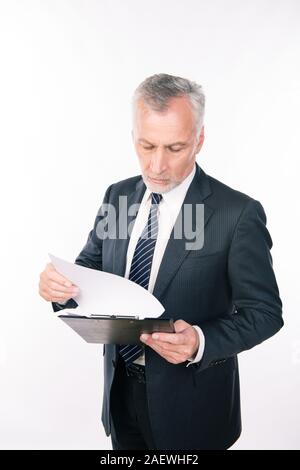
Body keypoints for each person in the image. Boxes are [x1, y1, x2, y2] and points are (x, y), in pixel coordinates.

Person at [39, 73, 283, 450]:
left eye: (174, 148)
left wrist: (200, 341)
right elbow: (88, 272)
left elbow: (265, 313)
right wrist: (59, 288)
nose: (157, 165)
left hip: (194, 407)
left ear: (199, 139)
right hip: (121, 397)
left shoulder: (237, 214)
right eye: (146, 145)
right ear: (133, 135)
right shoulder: (118, 196)